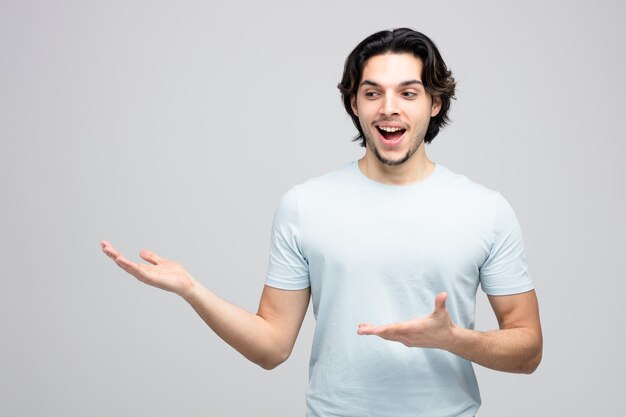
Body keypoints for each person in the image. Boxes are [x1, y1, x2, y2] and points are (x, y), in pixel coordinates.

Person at [101, 28, 542, 417]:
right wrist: (191, 289)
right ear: (355, 103)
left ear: (434, 103)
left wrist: (452, 339)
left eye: (408, 93)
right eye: (373, 93)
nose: (389, 108)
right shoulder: (305, 205)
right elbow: (271, 347)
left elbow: (527, 352)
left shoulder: (485, 209)